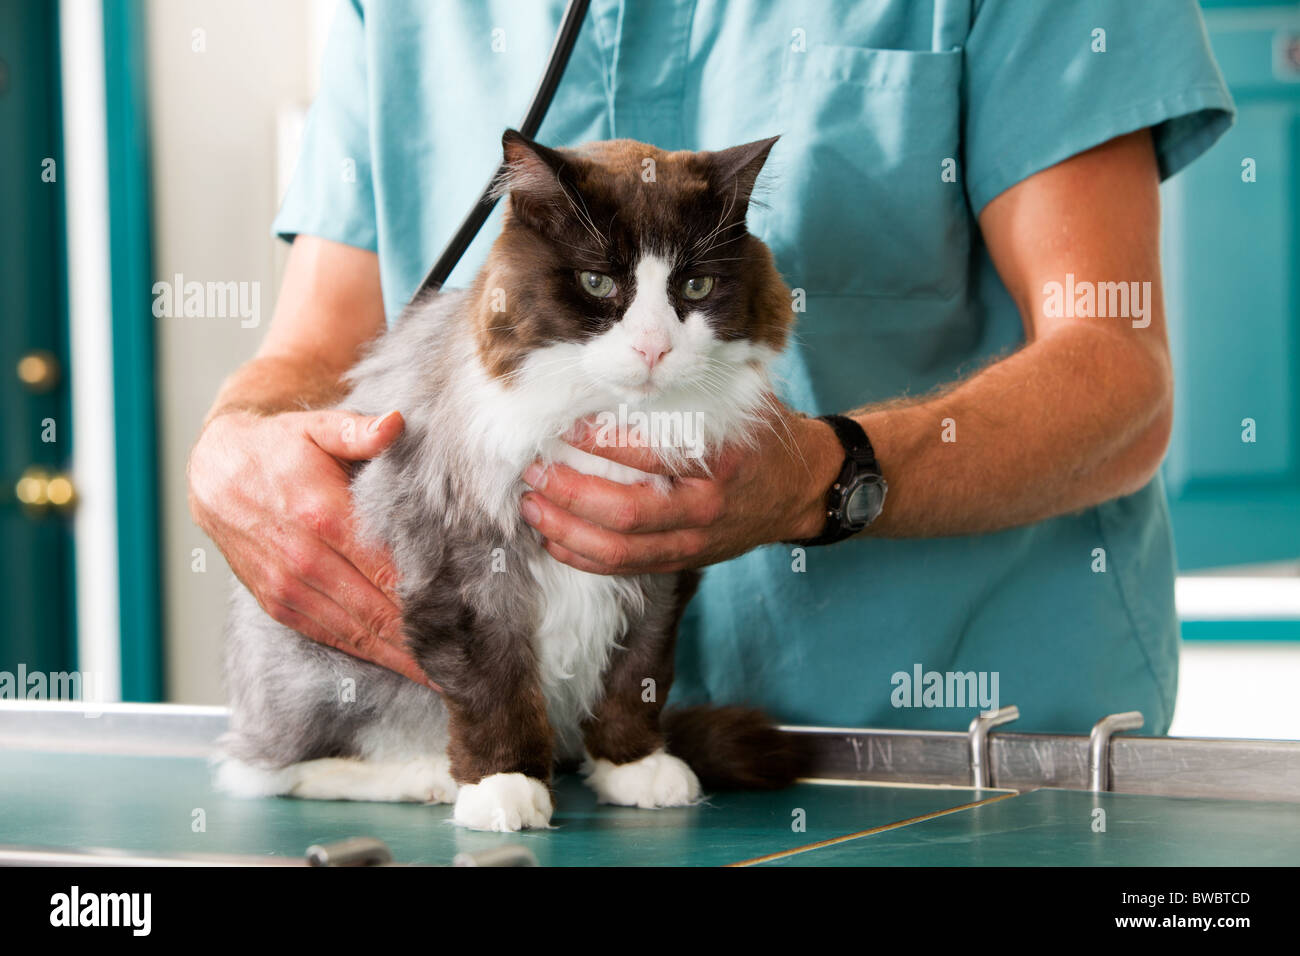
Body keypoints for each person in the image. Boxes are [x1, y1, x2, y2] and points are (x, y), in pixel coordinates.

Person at [188, 0, 1234, 733]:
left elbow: (1117, 375)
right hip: (559, 770)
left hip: (957, 753)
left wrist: (824, 478)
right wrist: (232, 446)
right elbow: (317, 355)